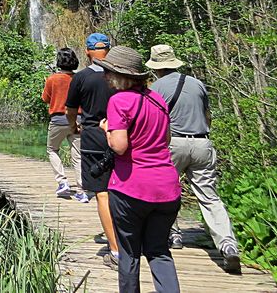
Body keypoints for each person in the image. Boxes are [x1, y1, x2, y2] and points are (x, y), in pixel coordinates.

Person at [148, 44, 241, 273]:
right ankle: (228, 245)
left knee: (166, 190)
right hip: (202, 141)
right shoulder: (196, 83)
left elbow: (154, 121)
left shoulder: (156, 88)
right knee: (209, 196)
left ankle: (174, 235)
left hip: (172, 143)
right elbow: (207, 115)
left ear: (155, 67)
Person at [98, 45, 181, 293]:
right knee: (159, 251)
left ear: (119, 75)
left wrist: (108, 131)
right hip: (167, 188)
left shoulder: (119, 100)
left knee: (129, 254)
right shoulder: (158, 99)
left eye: (108, 72)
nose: (105, 77)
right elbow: (165, 140)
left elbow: (120, 147)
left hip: (131, 189)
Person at [66, 32, 120, 268]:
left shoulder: (81, 78)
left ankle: (116, 250)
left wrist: (73, 126)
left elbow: (70, 109)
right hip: (121, 135)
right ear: (109, 50)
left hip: (93, 138)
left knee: (102, 193)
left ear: (87, 52)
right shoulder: (119, 75)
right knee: (123, 188)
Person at [42, 48, 82, 199]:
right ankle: (81, 188)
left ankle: (62, 181)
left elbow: (45, 99)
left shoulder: (52, 79)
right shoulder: (79, 78)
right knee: (78, 155)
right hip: (78, 119)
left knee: (52, 149)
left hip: (58, 120)